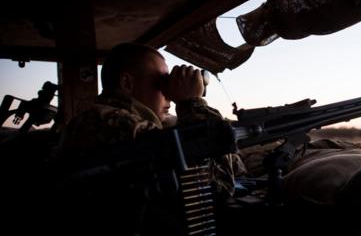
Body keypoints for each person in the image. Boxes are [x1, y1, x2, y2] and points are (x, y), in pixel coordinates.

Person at [51, 42, 245, 235]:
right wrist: (191, 103)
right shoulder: (118, 125)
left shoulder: (99, 119)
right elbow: (218, 188)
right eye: (161, 83)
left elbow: (233, 166)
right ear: (127, 83)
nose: (168, 93)